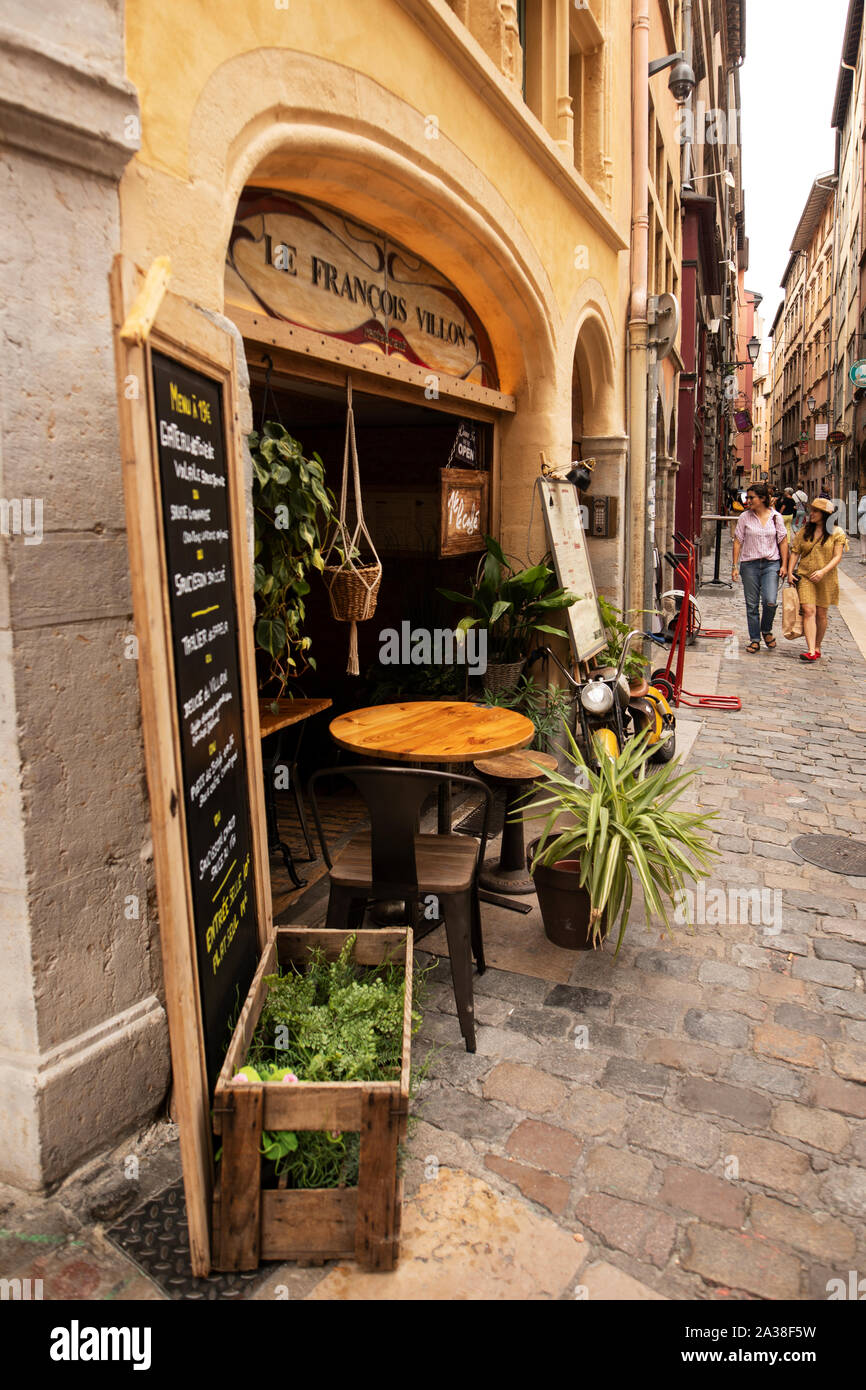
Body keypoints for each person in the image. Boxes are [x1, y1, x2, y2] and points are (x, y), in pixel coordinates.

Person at [786, 498, 849, 662]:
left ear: (825, 514)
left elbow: (837, 557)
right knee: (808, 610)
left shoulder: (837, 532)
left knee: (821, 614)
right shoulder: (804, 531)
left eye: (815, 511)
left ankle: (817, 646)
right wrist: (790, 571)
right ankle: (811, 650)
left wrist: (823, 571)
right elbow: (795, 551)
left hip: (826, 578)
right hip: (806, 575)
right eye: (811, 510)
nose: (811, 514)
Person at [732, 482, 790, 654]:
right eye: (747, 497)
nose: (748, 500)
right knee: (751, 605)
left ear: (763, 498)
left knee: (770, 601)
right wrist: (735, 566)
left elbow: (783, 541)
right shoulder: (745, 517)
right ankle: (755, 639)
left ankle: (766, 629)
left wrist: (784, 565)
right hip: (749, 564)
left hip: (771, 564)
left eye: (751, 497)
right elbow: (737, 541)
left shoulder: (776, 517)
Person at [858, 493, 866, 564]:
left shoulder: (864, 499)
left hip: (864, 522)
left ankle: (864, 557)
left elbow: (859, 512)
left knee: (863, 540)